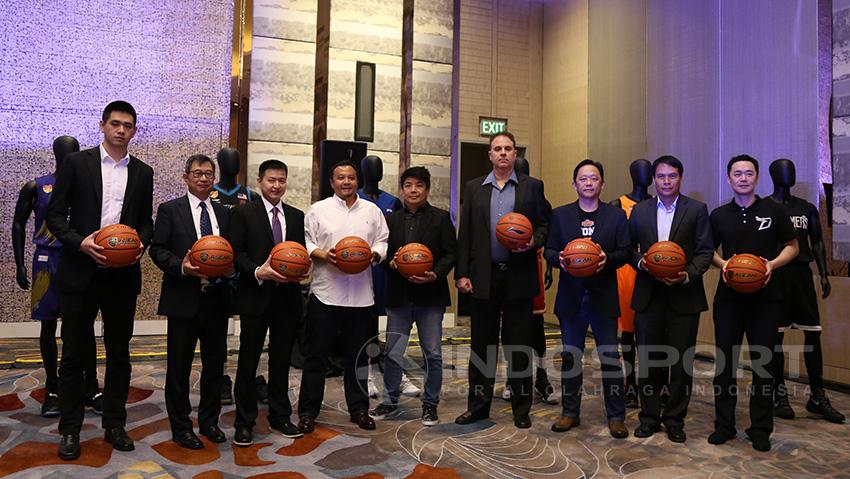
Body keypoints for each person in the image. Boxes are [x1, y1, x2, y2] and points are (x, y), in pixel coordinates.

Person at [46, 101, 153, 460]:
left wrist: (140, 245)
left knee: (119, 354)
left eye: (128, 126)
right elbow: (56, 215)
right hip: (80, 271)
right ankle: (71, 429)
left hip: (122, 277)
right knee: (75, 354)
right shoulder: (77, 164)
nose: (121, 130)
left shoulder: (143, 172)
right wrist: (81, 242)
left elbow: (146, 223)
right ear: (103, 126)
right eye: (115, 124)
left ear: (134, 131)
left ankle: (114, 423)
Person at [454, 132, 551, 429]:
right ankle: (478, 407)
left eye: (508, 149)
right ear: (490, 155)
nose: (504, 154)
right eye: (498, 149)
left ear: (515, 153)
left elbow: (546, 224)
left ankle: (521, 410)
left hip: (518, 276)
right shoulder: (473, 189)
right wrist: (462, 273)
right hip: (484, 277)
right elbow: (466, 233)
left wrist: (534, 240)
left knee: (518, 346)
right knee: (482, 347)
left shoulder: (532, 187)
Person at [708, 154, 798, 452]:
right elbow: (706, 250)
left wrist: (771, 264)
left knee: (763, 365)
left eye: (748, 173)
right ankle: (724, 425)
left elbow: (793, 246)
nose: (743, 177)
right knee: (725, 363)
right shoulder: (719, 215)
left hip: (766, 300)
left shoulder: (774, 209)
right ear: (729, 178)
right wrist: (723, 264)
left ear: (756, 177)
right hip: (729, 300)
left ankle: (760, 428)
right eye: (737, 173)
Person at [12, 136, 101, 418]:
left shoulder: (88, 186)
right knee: (48, 325)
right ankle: (52, 388)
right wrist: (19, 264)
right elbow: (18, 223)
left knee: (84, 325)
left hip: (79, 257)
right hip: (46, 259)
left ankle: (91, 385)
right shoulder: (37, 186)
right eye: (66, 152)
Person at [297, 160, 389, 433]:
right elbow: (308, 242)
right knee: (316, 357)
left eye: (350, 177)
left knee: (359, 357)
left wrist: (374, 254)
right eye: (340, 178)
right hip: (326, 294)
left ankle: (359, 409)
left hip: (361, 297)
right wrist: (325, 255)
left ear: (357, 181)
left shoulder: (372, 211)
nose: (346, 182)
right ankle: (308, 412)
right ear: (332, 182)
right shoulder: (318, 210)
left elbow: (383, 240)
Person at [628, 155, 713, 443]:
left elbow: (704, 252)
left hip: (684, 296)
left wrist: (687, 275)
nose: (666, 181)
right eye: (661, 176)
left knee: (680, 364)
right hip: (648, 295)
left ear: (680, 178)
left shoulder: (697, 210)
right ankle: (649, 417)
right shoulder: (639, 211)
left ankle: (675, 419)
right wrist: (643, 263)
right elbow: (628, 249)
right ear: (654, 179)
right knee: (649, 362)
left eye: (672, 176)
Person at [149, 154, 232, 449]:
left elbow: (232, 252)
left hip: (217, 301)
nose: (203, 178)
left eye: (209, 174)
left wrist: (230, 266)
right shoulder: (170, 209)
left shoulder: (224, 213)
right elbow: (157, 250)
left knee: (214, 366)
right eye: (197, 173)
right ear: (185, 177)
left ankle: (209, 422)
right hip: (183, 299)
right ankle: (181, 426)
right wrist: (182, 266)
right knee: (179, 367)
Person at [545, 159, 630, 439]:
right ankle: (570, 413)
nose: (589, 183)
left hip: (603, 297)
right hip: (571, 298)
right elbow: (549, 250)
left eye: (594, 178)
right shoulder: (560, 215)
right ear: (575, 184)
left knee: (610, 359)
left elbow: (625, 251)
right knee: (571, 359)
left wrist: (607, 259)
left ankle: (616, 416)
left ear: (602, 183)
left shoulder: (616, 217)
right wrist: (559, 258)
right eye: (583, 179)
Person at [368, 166, 457, 426]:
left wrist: (436, 274)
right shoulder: (392, 220)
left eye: (419, 185)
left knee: (433, 354)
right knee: (394, 353)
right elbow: (382, 253)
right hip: (400, 295)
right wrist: (391, 264)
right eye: (408, 185)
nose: (413, 190)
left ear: (427, 189)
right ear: (402, 190)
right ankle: (390, 401)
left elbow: (451, 253)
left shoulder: (441, 219)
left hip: (431, 296)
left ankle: (430, 404)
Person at [229, 159, 307, 447]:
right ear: (260, 182)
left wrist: (302, 269)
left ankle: (280, 415)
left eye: (281, 180)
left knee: (281, 361)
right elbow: (235, 252)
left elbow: (299, 254)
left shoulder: (297, 216)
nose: (277, 185)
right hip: (255, 296)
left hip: (287, 298)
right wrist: (257, 271)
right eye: (271, 180)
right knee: (248, 361)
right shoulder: (244, 213)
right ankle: (244, 421)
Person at [768, 159, 844, 423]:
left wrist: (823, 273)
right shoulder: (764, 207)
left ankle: (817, 395)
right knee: (774, 339)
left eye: (792, 169)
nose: (789, 174)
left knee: (812, 334)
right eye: (783, 170)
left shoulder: (806, 208)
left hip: (801, 275)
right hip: (775, 276)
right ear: (773, 175)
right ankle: (778, 393)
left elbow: (817, 242)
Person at [358, 155, 419, 399]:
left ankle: (397, 374)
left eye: (380, 167)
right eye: (371, 167)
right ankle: (366, 375)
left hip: (389, 270)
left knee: (394, 328)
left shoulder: (393, 201)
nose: (376, 171)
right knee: (365, 327)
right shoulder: (356, 199)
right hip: (362, 271)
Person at [500, 156, 557, 405]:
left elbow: (549, 234)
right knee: (510, 326)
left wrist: (548, 268)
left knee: (536, 325)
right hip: (504, 268)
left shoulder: (540, 200)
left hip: (531, 264)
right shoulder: (501, 200)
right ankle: (512, 378)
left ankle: (542, 377)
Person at [212, 147, 261, 407]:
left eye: (236, 159)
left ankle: (249, 377)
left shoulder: (250, 194)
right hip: (218, 268)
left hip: (241, 269)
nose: (232, 163)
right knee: (218, 328)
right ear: (219, 163)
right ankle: (220, 378)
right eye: (226, 159)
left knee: (249, 330)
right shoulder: (210, 192)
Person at [610, 159, 653, 409]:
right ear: (632, 174)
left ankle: (653, 383)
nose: (645, 175)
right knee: (628, 334)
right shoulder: (618, 204)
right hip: (626, 271)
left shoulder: (657, 204)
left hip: (650, 271)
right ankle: (629, 384)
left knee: (650, 334)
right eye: (641, 170)